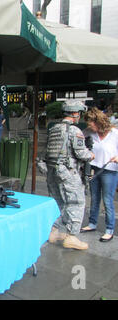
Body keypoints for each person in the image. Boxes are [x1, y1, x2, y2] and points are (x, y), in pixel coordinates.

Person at [46, 100, 95, 250]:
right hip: (68, 172)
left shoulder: (54, 129)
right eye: (79, 113)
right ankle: (72, 237)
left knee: (59, 201)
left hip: (52, 171)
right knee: (77, 202)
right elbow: (81, 153)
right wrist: (91, 155)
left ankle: (53, 232)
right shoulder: (74, 131)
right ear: (75, 114)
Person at [80, 108, 118, 242]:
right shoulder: (89, 132)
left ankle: (109, 229)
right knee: (94, 198)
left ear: (99, 122)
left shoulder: (114, 134)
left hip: (110, 170)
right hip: (94, 169)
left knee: (107, 200)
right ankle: (92, 223)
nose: (89, 126)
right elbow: (78, 138)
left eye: (91, 123)